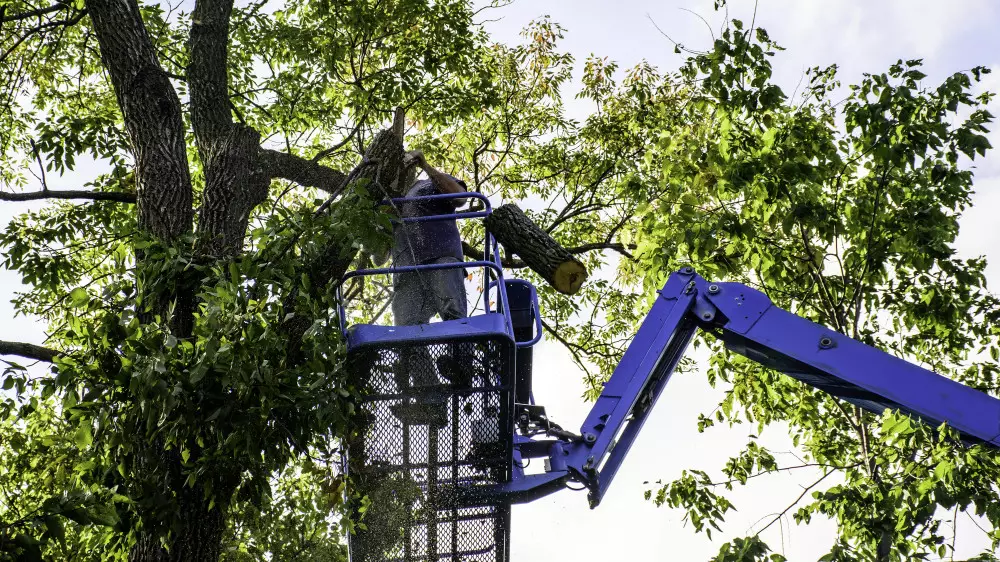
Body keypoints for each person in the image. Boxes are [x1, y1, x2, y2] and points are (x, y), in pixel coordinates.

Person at [391, 151, 476, 402]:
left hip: (440, 256)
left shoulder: (431, 182)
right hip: (408, 272)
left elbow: (459, 198)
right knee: (407, 328)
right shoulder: (392, 200)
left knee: (452, 310)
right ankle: (429, 394)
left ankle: (462, 370)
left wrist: (426, 166)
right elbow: (378, 256)